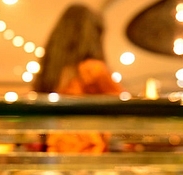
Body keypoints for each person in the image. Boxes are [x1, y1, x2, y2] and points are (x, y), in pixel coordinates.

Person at [32, 4, 122, 153]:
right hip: (86, 153)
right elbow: (126, 106)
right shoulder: (92, 69)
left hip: (55, 150)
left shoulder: (51, 70)